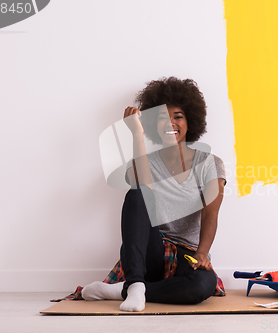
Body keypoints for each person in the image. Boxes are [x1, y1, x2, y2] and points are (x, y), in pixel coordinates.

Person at [82, 77, 226, 312]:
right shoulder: (146, 162)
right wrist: (137, 134)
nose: (171, 123)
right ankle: (136, 283)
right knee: (138, 192)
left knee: (202, 285)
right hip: (153, 252)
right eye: (162, 118)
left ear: (190, 120)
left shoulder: (211, 163)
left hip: (187, 255)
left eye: (177, 116)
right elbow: (141, 192)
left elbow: (211, 213)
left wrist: (201, 254)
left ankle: (124, 290)